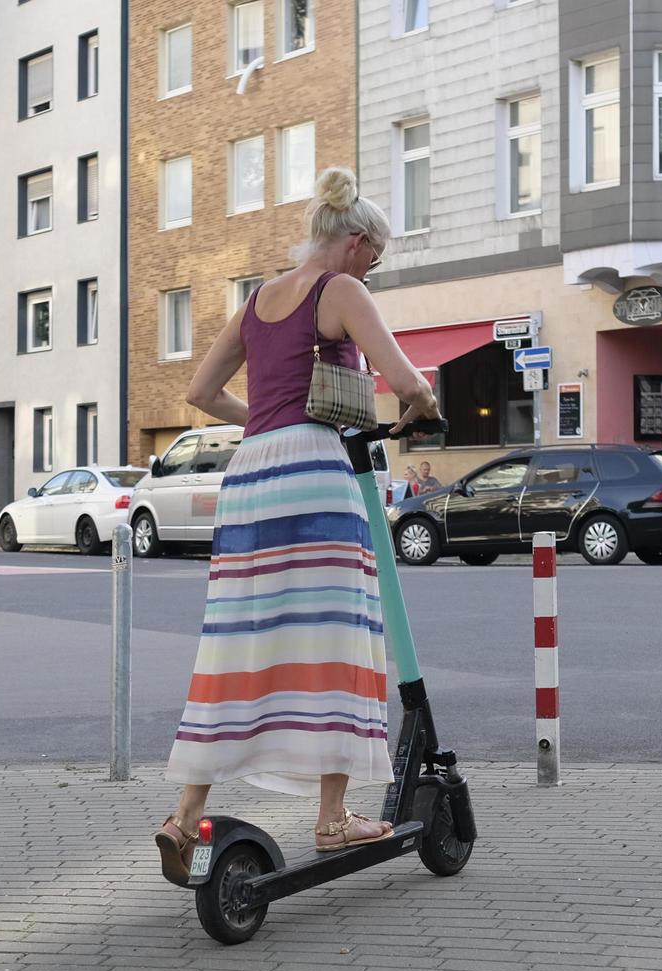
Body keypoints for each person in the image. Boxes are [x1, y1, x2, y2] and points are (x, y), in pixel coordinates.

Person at [154, 166, 440, 885]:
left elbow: (198, 391)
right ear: (352, 240)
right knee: (334, 638)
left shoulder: (257, 301)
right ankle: (333, 816)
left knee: (240, 645)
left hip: (251, 477)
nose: (376, 265)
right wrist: (424, 400)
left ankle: (185, 817)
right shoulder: (341, 291)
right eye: (376, 253)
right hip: (314, 472)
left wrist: (262, 420)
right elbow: (403, 378)